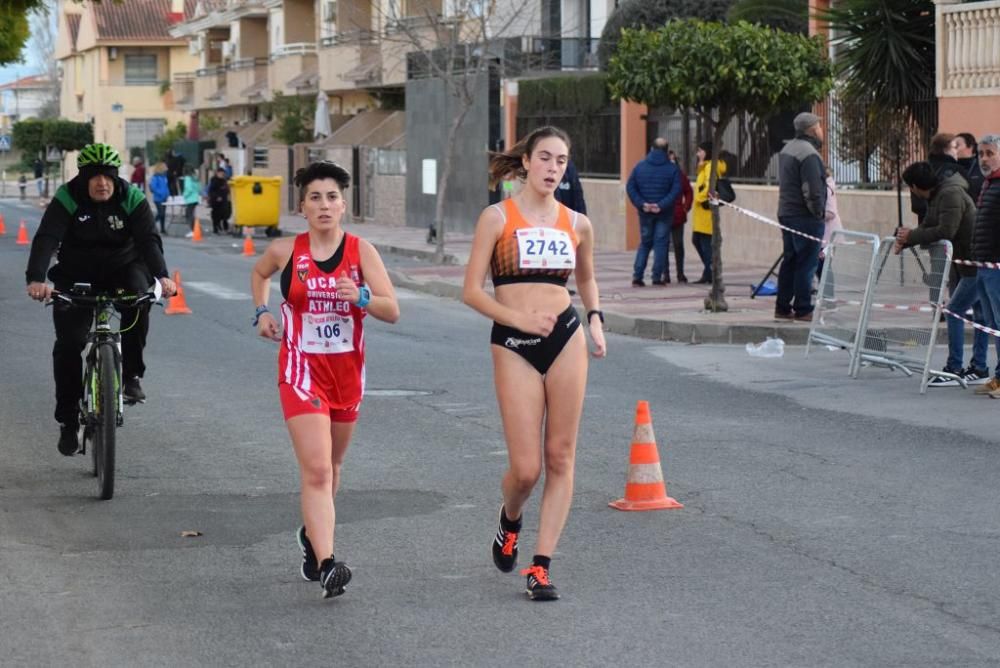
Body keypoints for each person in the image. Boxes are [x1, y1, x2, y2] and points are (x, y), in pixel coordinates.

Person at [462, 125, 607, 601]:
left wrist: (596, 321)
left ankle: (540, 566)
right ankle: (510, 520)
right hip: (513, 342)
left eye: (561, 161)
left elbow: (586, 281)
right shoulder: (497, 218)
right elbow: (471, 292)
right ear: (525, 162)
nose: (552, 168)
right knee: (526, 470)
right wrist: (516, 318)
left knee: (561, 456)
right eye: (544, 158)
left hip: (565, 337)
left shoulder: (576, 222)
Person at [250, 161, 400, 598]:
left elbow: (392, 310)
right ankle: (329, 564)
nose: (324, 204)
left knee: (333, 469)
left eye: (332, 197)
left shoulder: (361, 252)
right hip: (300, 371)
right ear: (302, 206)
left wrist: (365, 296)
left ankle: (311, 537)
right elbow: (259, 274)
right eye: (315, 197)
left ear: (343, 205)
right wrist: (262, 312)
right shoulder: (286, 251)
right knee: (316, 470)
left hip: (347, 375)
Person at [24, 143, 176, 455]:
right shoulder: (68, 197)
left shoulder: (131, 197)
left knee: (140, 299)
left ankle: (132, 374)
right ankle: (67, 420)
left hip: (124, 268)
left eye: (107, 175)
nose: (102, 183)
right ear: (83, 178)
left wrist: (162, 275)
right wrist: (36, 278)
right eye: (94, 177)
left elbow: (148, 240)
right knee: (68, 344)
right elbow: (46, 238)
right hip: (76, 274)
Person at [897, 161, 989, 387]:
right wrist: (904, 239)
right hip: (969, 263)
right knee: (980, 315)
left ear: (916, 186)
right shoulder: (938, 196)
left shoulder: (950, 194)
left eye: (910, 186)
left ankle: (955, 368)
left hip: (976, 262)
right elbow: (928, 226)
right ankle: (979, 368)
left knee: (954, 311)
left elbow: (946, 230)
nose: (911, 191)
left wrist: (910, 237)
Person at [775, 112, 827, 322]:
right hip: (804, 216)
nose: (822, 131)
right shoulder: (809, 154)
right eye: (819, 127)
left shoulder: (788, 149)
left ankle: (782, 306)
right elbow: (812, 190)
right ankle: (803, 308)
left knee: (790, 260)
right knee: (807, 262)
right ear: (812, 130)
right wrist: (819, 213)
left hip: (786, 212)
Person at [626, 137, 681, 287]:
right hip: (664, 213)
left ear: (651, 149)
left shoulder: (639, 167)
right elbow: (676, 190)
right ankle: (656, 277)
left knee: (645, 243)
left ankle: (637, 277)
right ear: (666, 150)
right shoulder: (672, 169)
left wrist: (642, 204)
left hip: (645, 213)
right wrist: (661, 205)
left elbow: (630, 187)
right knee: (661, 244)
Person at [971, 134, 1000, 398]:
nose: (984, 159)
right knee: (992, 323)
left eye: (990, 153)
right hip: (984, 263)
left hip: (996, 265)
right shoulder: (989, 183)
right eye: (981, 154)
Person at [911, 133, 968, 223]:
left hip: (924, 225)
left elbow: (916, 206)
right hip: (951, 223)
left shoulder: (920, 169)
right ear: (945, 150)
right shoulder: (957, 170)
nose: (957, 151)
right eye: (954, 147)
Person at [692, 141, 723, 284]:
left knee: (705, 243)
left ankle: (712, 271)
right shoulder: (704, 167)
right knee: (697, 240)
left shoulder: (711, 167)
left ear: (707, 152)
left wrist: (699, 198)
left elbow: (709, 186)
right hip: (700, 213)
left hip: (705, 211)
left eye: (700, 151)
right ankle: (708, 271)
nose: (698, 154)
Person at [816, 167, 842, 303]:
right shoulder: (822, 186)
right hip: (821, 236)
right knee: (820, 266)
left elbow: (830, 213)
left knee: (824, 266)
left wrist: (815, 215)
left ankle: (829, 299)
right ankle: (825, 297)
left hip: (829, 236)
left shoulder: (828, 187)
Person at [667, 149, 693, 283]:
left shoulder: (679, 175)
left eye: (673, 160)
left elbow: (688, 191)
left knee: (678, 244)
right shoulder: (661, 174)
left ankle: (680, 273)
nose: (672, 162)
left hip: (677, 215)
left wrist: (685, 207)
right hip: (663, 214)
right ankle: (665, 274)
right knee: (663, 245)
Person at [956, 132, 985, 203]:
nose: (954, 148)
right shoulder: (951, 166)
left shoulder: (983, 166)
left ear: (970, 147)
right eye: (953, 146)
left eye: (957, 145)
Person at [207, 166, 231, 234]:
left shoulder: (224, 180)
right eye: (221, 173)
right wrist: (216, 197)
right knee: (216, 215)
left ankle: (225, 228)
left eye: (223, 174)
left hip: (223, 200)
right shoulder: (214, 180)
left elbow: (226, 189)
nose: (222, 175)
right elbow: (211, 191)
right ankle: (216, 228)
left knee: (225, 215)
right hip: (216, 201)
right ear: (217, 173)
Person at [149, 163, 170, 234]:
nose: (167, 168)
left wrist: (167, 194)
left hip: (164, 198)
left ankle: (163, 229)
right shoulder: (156, 177)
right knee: (161, 213)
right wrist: (160, 193)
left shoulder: (164, 177)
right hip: (158, 198)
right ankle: (150, 224)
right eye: (165, 167)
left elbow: (166, 186)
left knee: (163, 215)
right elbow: (153, 187)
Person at [181, 166, 201, 238]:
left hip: (190, 199)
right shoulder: (195, 178)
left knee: (189, 215)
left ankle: (193, 230)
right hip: (196, 198)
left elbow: (188, 189)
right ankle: (195, 228)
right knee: (191, 214)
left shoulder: (187, 178)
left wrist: (184, 195)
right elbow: (199, 188)